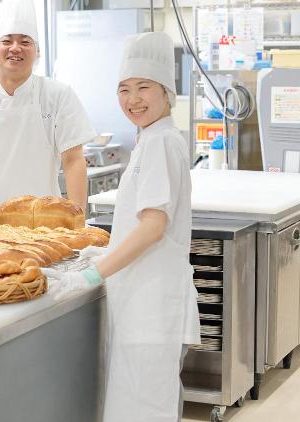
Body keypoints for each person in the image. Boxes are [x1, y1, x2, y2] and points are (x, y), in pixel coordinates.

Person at [44, 32, 201, 422]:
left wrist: (93, 273)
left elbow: (153, 226)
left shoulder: (161, 142)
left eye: (143, 87)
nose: (133, 99)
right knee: (139, 405)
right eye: (124, 89)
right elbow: (144, 221)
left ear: (166, 92)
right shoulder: (153, 138)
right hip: (142, 304)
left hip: (150, 306)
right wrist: (108, 250)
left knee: (142, 409)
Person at [0, 0, 95, 222]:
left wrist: (77, 221)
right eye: (7, 41)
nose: (15, 48)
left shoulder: (58, 95)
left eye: (25, 42)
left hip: (46, 225)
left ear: (37, 51)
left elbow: (73, 160)